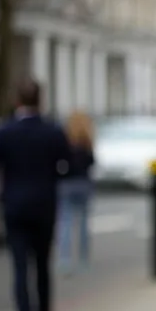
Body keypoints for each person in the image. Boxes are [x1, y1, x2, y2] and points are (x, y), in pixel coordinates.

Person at [0, 79, 71, 311]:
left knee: (20, 268)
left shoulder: (3, 132)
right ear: (40, 101)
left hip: (15, 206)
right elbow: (65, 164)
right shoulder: (52, 131)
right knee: (42, 264)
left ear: (17, 101)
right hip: (44, 205)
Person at [56, 111, 96, 275]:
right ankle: (84, 260)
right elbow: (92, 162)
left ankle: (65, 260)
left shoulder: (66, 142)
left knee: (65, 223)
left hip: (67, 184)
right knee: (83, 225)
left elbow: (59, 164)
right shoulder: (87, 141)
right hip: (83, 184)